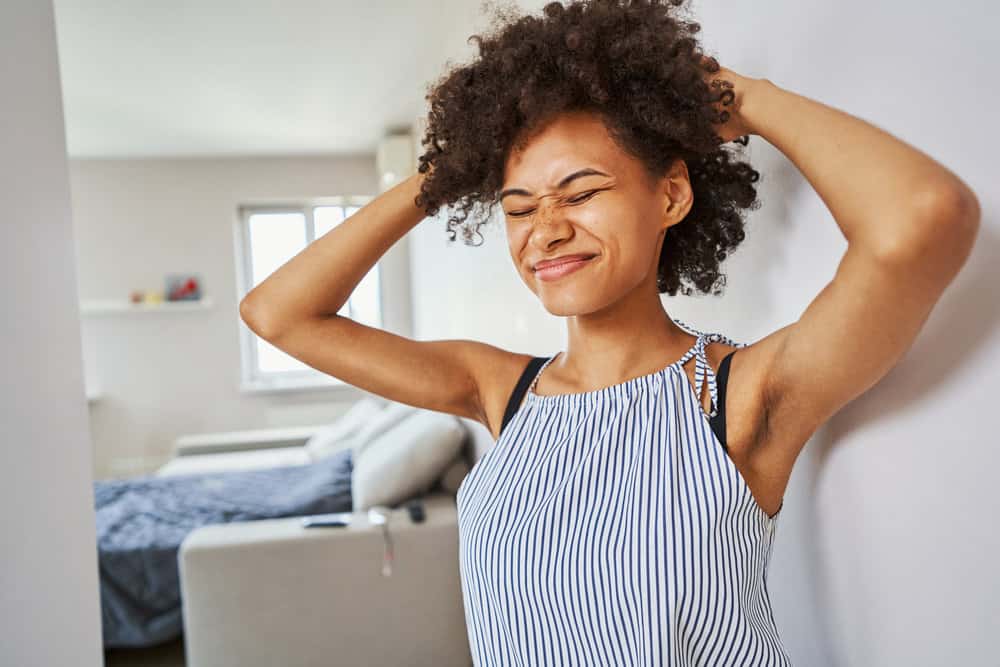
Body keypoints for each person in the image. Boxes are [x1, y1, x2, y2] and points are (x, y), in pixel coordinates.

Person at [239, 1, 980, 664]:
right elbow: (278, 313)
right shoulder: (502, 390)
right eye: (519, 206)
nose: (548, 230)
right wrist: (446, 171)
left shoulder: (741, 396)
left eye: (583, 191)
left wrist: (745, 99)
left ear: (671, 193)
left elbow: (923, 218)